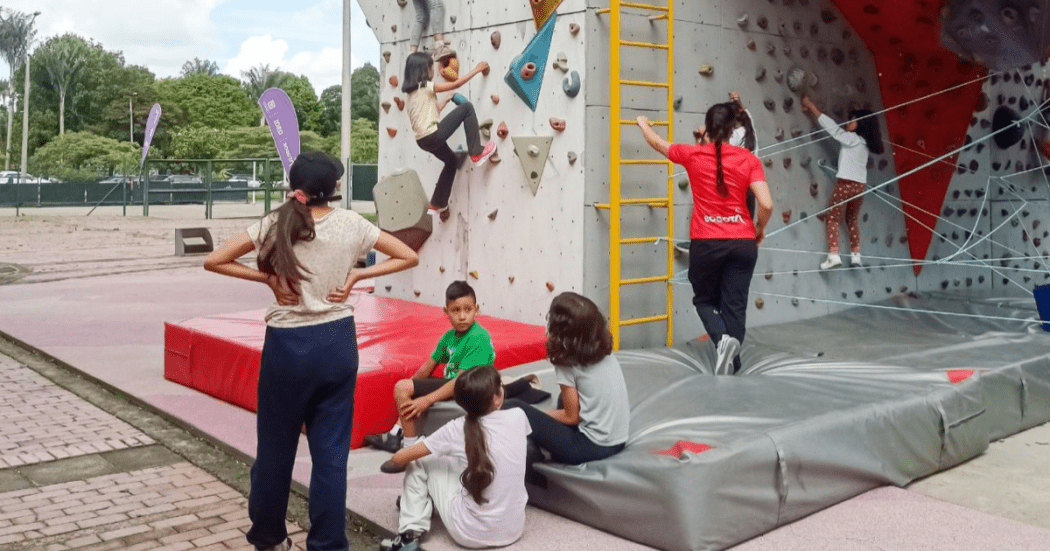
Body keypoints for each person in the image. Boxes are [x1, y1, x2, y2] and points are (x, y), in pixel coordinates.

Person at [204, 151, 419, 551]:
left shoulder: (274, 222)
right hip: (337, 344)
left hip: (286, 347)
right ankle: (328, 543)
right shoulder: (353, 223)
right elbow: (408, 254)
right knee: (331, 456)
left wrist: (268, 280)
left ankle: (268, 538)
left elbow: (214, 259)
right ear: (335, 188)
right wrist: (358, 275)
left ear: (297, 188)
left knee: (273, 450)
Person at [637, 104, 773, 375]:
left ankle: (723, 344)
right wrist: (758, 228)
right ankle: (732, 364)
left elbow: (656, 143)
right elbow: (766, 204)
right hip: (742, 244)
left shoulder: (692, 154)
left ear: (707, 128)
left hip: (707, 243)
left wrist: (643, 123)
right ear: (734, 128)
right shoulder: (748, 159)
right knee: (734, 306)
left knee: (704, 300)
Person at [367, 280, 544, 472]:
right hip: (452, 381)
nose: (462, 316)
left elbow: (460, 381)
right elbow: (428, 367)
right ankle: (398, 430)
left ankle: (408, 449)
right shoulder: (449, 337)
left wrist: (425, 399)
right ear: (446, 311)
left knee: (403, 387)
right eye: (456, 310)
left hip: (470, 386)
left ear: (477, 310)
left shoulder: (478, 337)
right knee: (405, 386)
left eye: (467, 310)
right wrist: (413, 386)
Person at [379, 365, 530, 551]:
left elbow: (400, 458)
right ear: (498, 396)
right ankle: (419, 503)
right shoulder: (518, 416)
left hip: (469, 533)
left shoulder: (456, 429)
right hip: (513, 530)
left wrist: (399, 462)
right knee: (459, 458)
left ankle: (408, 537)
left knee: (421, 458)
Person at [503, 292, 630, 465]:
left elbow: (572, 418)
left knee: (513, 408)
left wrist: (536, 416)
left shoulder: (566, 362)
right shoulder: (601, 347)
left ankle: (533, 454)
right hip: (619, 441)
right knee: (564, 397)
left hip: (590, 446)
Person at [403, 52, 496, 222]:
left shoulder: (411, 96)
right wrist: (477, 69)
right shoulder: (426, 85)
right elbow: (457, 82)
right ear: (423, 70)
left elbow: (433, 112)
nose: (433, 70)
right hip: (433, 135)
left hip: (423, 141)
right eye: (431, 67)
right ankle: (477, 152)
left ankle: (438, 202)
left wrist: (445, 101)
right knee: (467, 108)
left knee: (451, 161)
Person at [801, 96, 884, 269]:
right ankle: (855, 256)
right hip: (860, 187)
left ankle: (833, 255)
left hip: (846, 184)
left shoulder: (852, 139)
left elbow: (833, 130)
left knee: (833, 216)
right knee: (851, 219)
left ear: (859, 125)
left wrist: (813, 107)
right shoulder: (864, 144)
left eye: (852, 120)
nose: (848, 122)